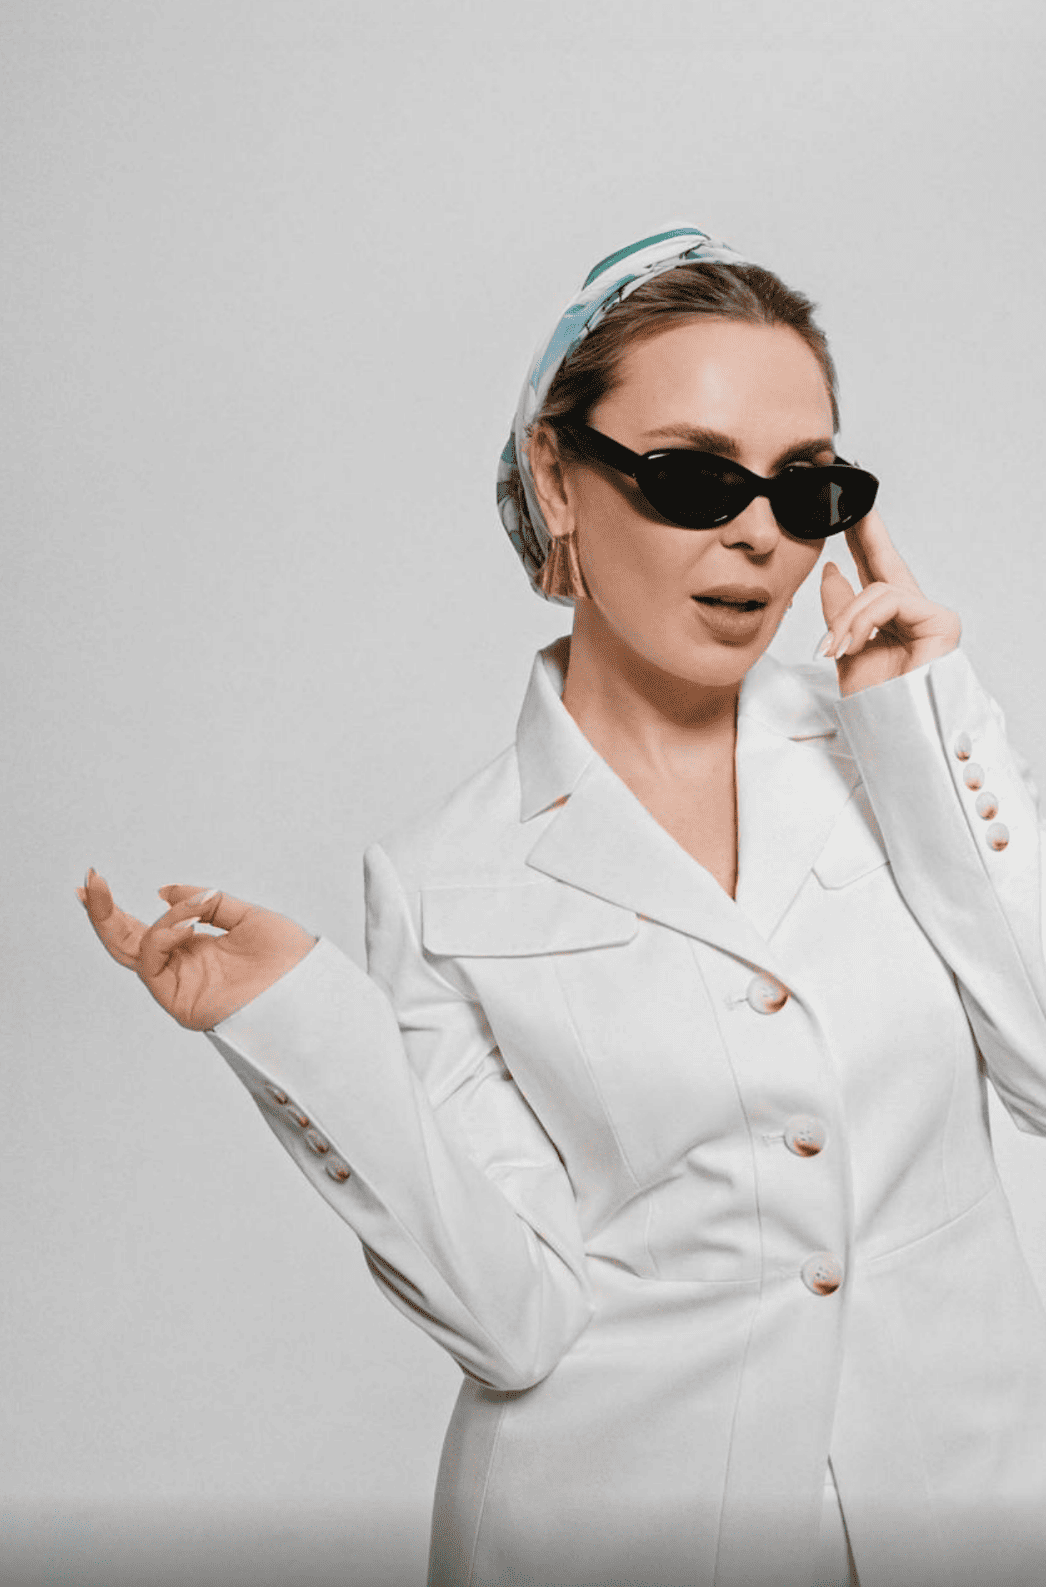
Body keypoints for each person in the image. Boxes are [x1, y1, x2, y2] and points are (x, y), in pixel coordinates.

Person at [79, 226, 1046, 1587]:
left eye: (805, 489)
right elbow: (511, 1321)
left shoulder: (900, 748)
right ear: (557, 477)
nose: (756, 533)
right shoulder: (443, 877)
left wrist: (919, 722)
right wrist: (298, 1027)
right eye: (694, 476)